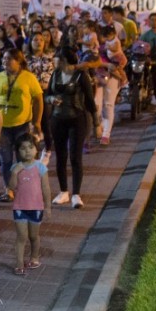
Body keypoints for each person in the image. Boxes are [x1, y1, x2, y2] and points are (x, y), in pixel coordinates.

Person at [45, 48, 99, 209]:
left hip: (77, 119)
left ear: (65, 61)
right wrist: (52, 98)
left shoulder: (81, 76)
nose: (55, 62)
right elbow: (47, 95)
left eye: (57, 59)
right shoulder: (55, 75)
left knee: (75, 157)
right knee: (60, 157)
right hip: (57, 119)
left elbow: (89, 100)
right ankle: (63, 192)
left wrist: (96, 123)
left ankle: (76, 194)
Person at [0, 49, 43, 202]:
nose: (5, 61)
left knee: (24, 158)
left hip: (22, 125)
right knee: (6, 159)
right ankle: (8, 190)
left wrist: (37, 121)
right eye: (4, 58)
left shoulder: (29, 77)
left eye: (9, 59)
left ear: (19, 61)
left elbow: (38, 100)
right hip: (2, 125)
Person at [9, 133, 51, 275]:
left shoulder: (40, 167)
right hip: (20, 208)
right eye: (23, 148)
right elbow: (11, 187)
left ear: (36, 149)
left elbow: (46, 188)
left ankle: (34, 257)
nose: (27, 151)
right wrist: (14, 173)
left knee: (34, 236)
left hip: (36, 208)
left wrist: (48, 207)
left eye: (30, 147)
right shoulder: (16, 167)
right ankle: (19, 263)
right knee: (21, 237)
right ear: (18, 151)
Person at [25, 33, 56, 163]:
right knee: (31, 125)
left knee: (45, 122)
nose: (38, 42)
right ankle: (34, 152)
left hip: (46, 92)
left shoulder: (50, 59)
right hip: (30, 94)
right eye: (35, 40)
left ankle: (48, 150)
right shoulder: (25, 59)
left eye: (41, 40)